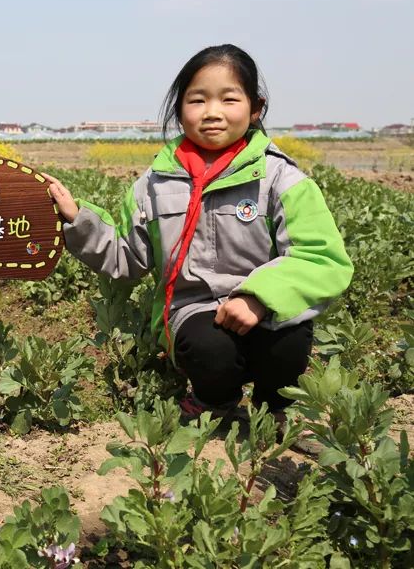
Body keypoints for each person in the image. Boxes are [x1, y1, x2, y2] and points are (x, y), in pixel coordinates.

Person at [45, 43, 353, 431]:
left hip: (266, 306)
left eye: (229, 99)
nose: (212, 112)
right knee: (210, 348)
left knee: (289, 340)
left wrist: (259, 297)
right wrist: (78, 220)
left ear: (255, 108)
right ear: (179, 111)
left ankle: (274, 406)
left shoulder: (281, 179)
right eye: (197, 100)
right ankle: (215, 400)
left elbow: (320, 258)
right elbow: (125, 257)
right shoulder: (155, 184)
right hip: (196, 309)